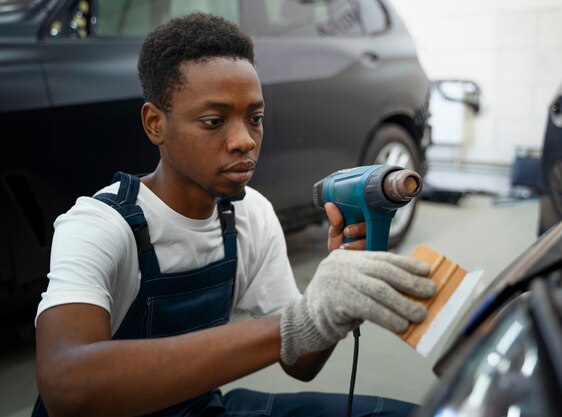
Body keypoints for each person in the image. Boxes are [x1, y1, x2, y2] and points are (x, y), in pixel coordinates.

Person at [32, 12, 435, 417]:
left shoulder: (249, 214)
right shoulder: (100, 225)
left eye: (255, 119)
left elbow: (301, 365)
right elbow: (67, 387)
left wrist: (331, 306)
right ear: (155, 123)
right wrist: (297, 322)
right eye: (214, 121)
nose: (245, 140)